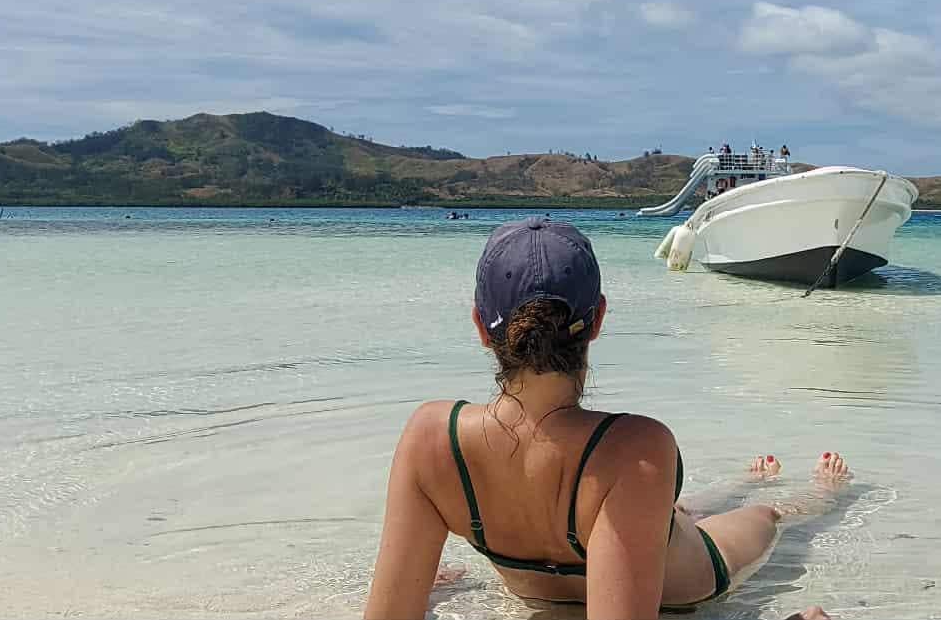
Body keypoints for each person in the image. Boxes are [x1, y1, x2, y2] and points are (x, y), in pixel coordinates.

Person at [364, 217, 849, 620]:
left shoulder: (430, 438)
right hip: (681, 584)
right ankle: (802, 494)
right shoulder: (633, 448)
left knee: (689, 514)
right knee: (768, 516)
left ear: (481, 327)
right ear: (597, 320)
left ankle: (807, 495)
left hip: (567, 571)